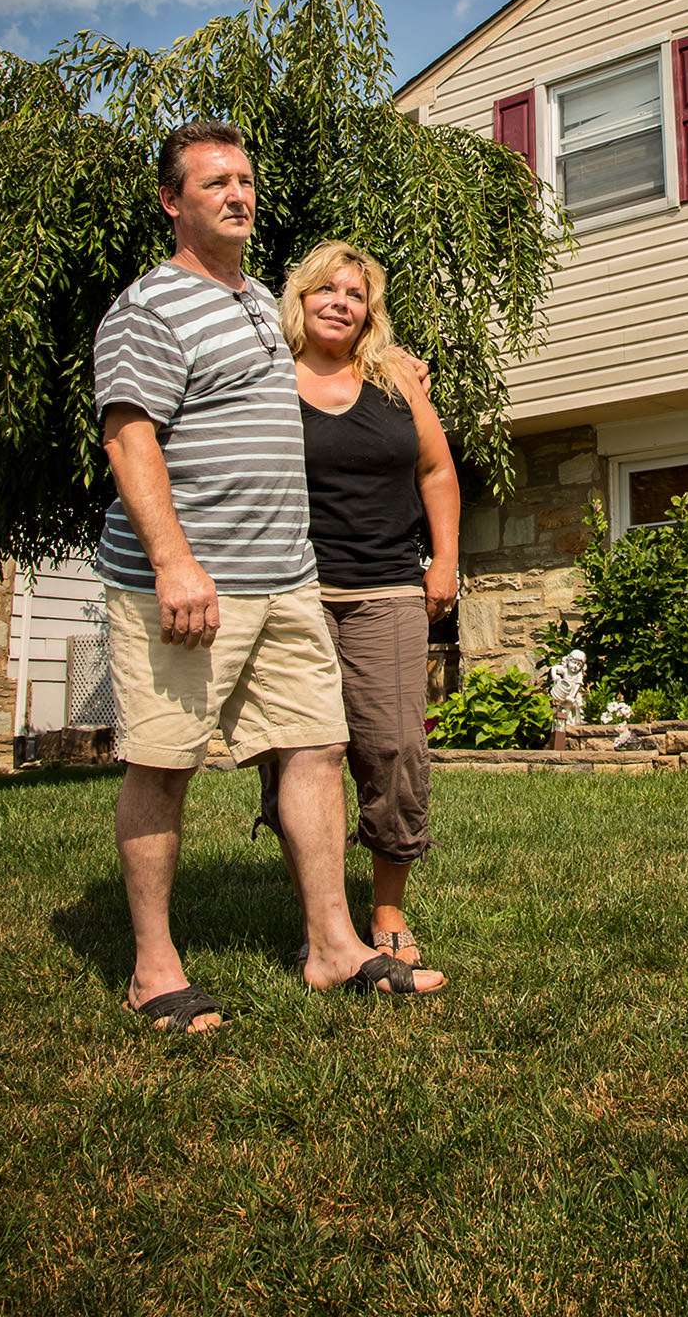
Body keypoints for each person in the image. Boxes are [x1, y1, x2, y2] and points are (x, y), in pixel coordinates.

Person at [94, 120, 445, 1031]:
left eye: (246, 180)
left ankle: (334, 945)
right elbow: (130, 437)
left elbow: (330, 373)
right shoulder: (148, 308)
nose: (237, 195)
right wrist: (173, 561)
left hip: (286, 578)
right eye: (215, 183)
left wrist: (392, 368)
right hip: (188, 583)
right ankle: (153, 968)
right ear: (174, 202)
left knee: (317, 751)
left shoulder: (256, 304)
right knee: (165, 764)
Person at [256, 241, 459, 974]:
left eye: (355, 293)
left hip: (386, 588)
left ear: (370, 310)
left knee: (394, 748)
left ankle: (387, 907)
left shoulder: (395, 378)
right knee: (301, 757)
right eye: (326, 290)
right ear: (300, 299)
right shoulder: (265, 376)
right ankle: (323, 922)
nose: (340, 302)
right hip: (293, 589)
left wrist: (445, 560)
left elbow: (435, 468)